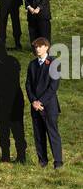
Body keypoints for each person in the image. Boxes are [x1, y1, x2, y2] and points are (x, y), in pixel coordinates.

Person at [26, 38, 62, 168]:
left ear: (46, 47)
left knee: (52, 133)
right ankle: (42, 161)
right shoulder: (32, 64)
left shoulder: (54, 63)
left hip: (49, 106)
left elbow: (53, 86)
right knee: (38, 134)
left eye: (40, 46)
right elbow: (28, 85)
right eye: (36, 47)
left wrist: (40, 101)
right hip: (35, 106)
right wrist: (33, 101)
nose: (37, 49)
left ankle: (58, 162)